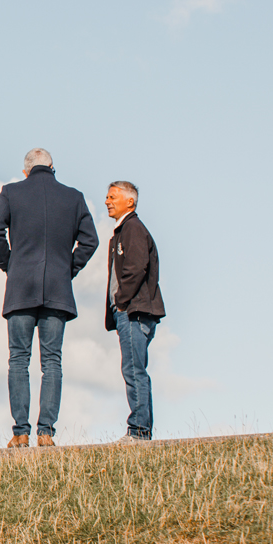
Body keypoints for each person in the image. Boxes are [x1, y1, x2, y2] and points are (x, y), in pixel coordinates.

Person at [0, 149, 99, 449]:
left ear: (26, 171)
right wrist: (68, 269)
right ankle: (46, 432)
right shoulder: (73, 197)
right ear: (53, 168)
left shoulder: (11, 192)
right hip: (58, 288)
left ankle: (20, 432)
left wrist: (8, 264)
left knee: (18, 360)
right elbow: (91, 240)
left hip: (20, 286)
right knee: (52, 362)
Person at [104, 181, 165, 444]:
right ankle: (141, 429)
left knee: (133, 369)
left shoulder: (133, 229)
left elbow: (136, 267)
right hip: (130, 311)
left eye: (112, 197)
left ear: (130, 201)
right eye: (107, 197)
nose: (107, 201)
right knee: (133, 368)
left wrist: (120, 301)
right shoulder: (123, 231)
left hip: (134, 311)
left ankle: (139, 431)